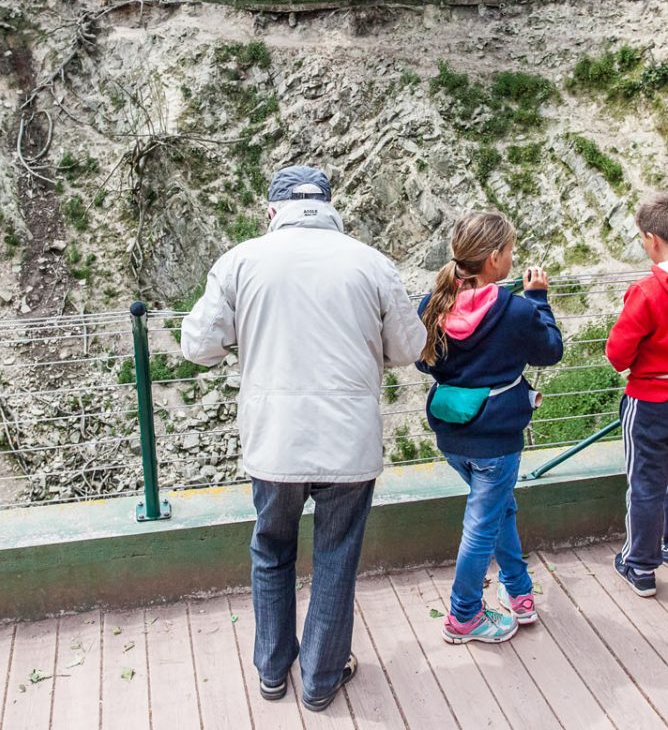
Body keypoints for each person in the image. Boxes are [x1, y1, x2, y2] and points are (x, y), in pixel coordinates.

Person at [181, 165, 426, 711]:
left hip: (274, 442)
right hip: (349, 443)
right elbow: (409, 347)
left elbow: (197, 345)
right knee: (336, 557)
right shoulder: (371, 263)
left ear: (272, 211)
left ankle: (272, 672)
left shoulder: (241, 261)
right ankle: (320, 680)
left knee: (272, 551)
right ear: (330, 207)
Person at [416, 210, 563, 644]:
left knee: (499, 509)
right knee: (481, 526)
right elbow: (550, 351)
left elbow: (425, 362)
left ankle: (518, 591)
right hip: (496, 439)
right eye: (510, 251)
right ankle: (463, 616)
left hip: (452, 434)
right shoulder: (516, 310)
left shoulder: (432, 304)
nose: (512, 258)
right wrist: (539, 299)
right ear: (495, 258)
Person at [606, 193, 668, 597]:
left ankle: (640, 565)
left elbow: (618, 355)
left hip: (650, 400)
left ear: (652, 239)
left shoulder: (646, 292)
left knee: (645, 482)